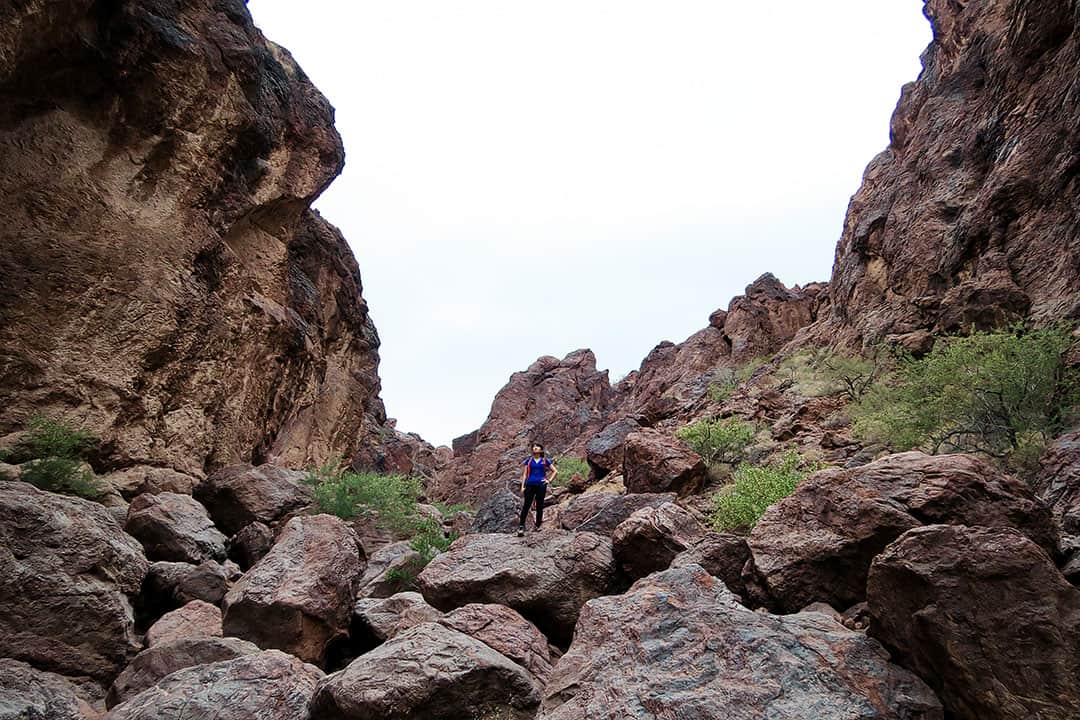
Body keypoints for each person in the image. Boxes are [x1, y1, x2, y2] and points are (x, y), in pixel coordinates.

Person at [518, 442, 557, 536]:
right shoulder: (529, 460)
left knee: (539, 505)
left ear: (541, 450)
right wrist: (522, 486)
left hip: (541, 485)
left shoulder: (545, 460)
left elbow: (555, 471)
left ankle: (538, 525)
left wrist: (549, 481)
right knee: (526, 505)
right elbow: (524, 474)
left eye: (537, 447)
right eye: (534, 447)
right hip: (529, 485)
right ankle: (521, 527)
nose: (535, 448)